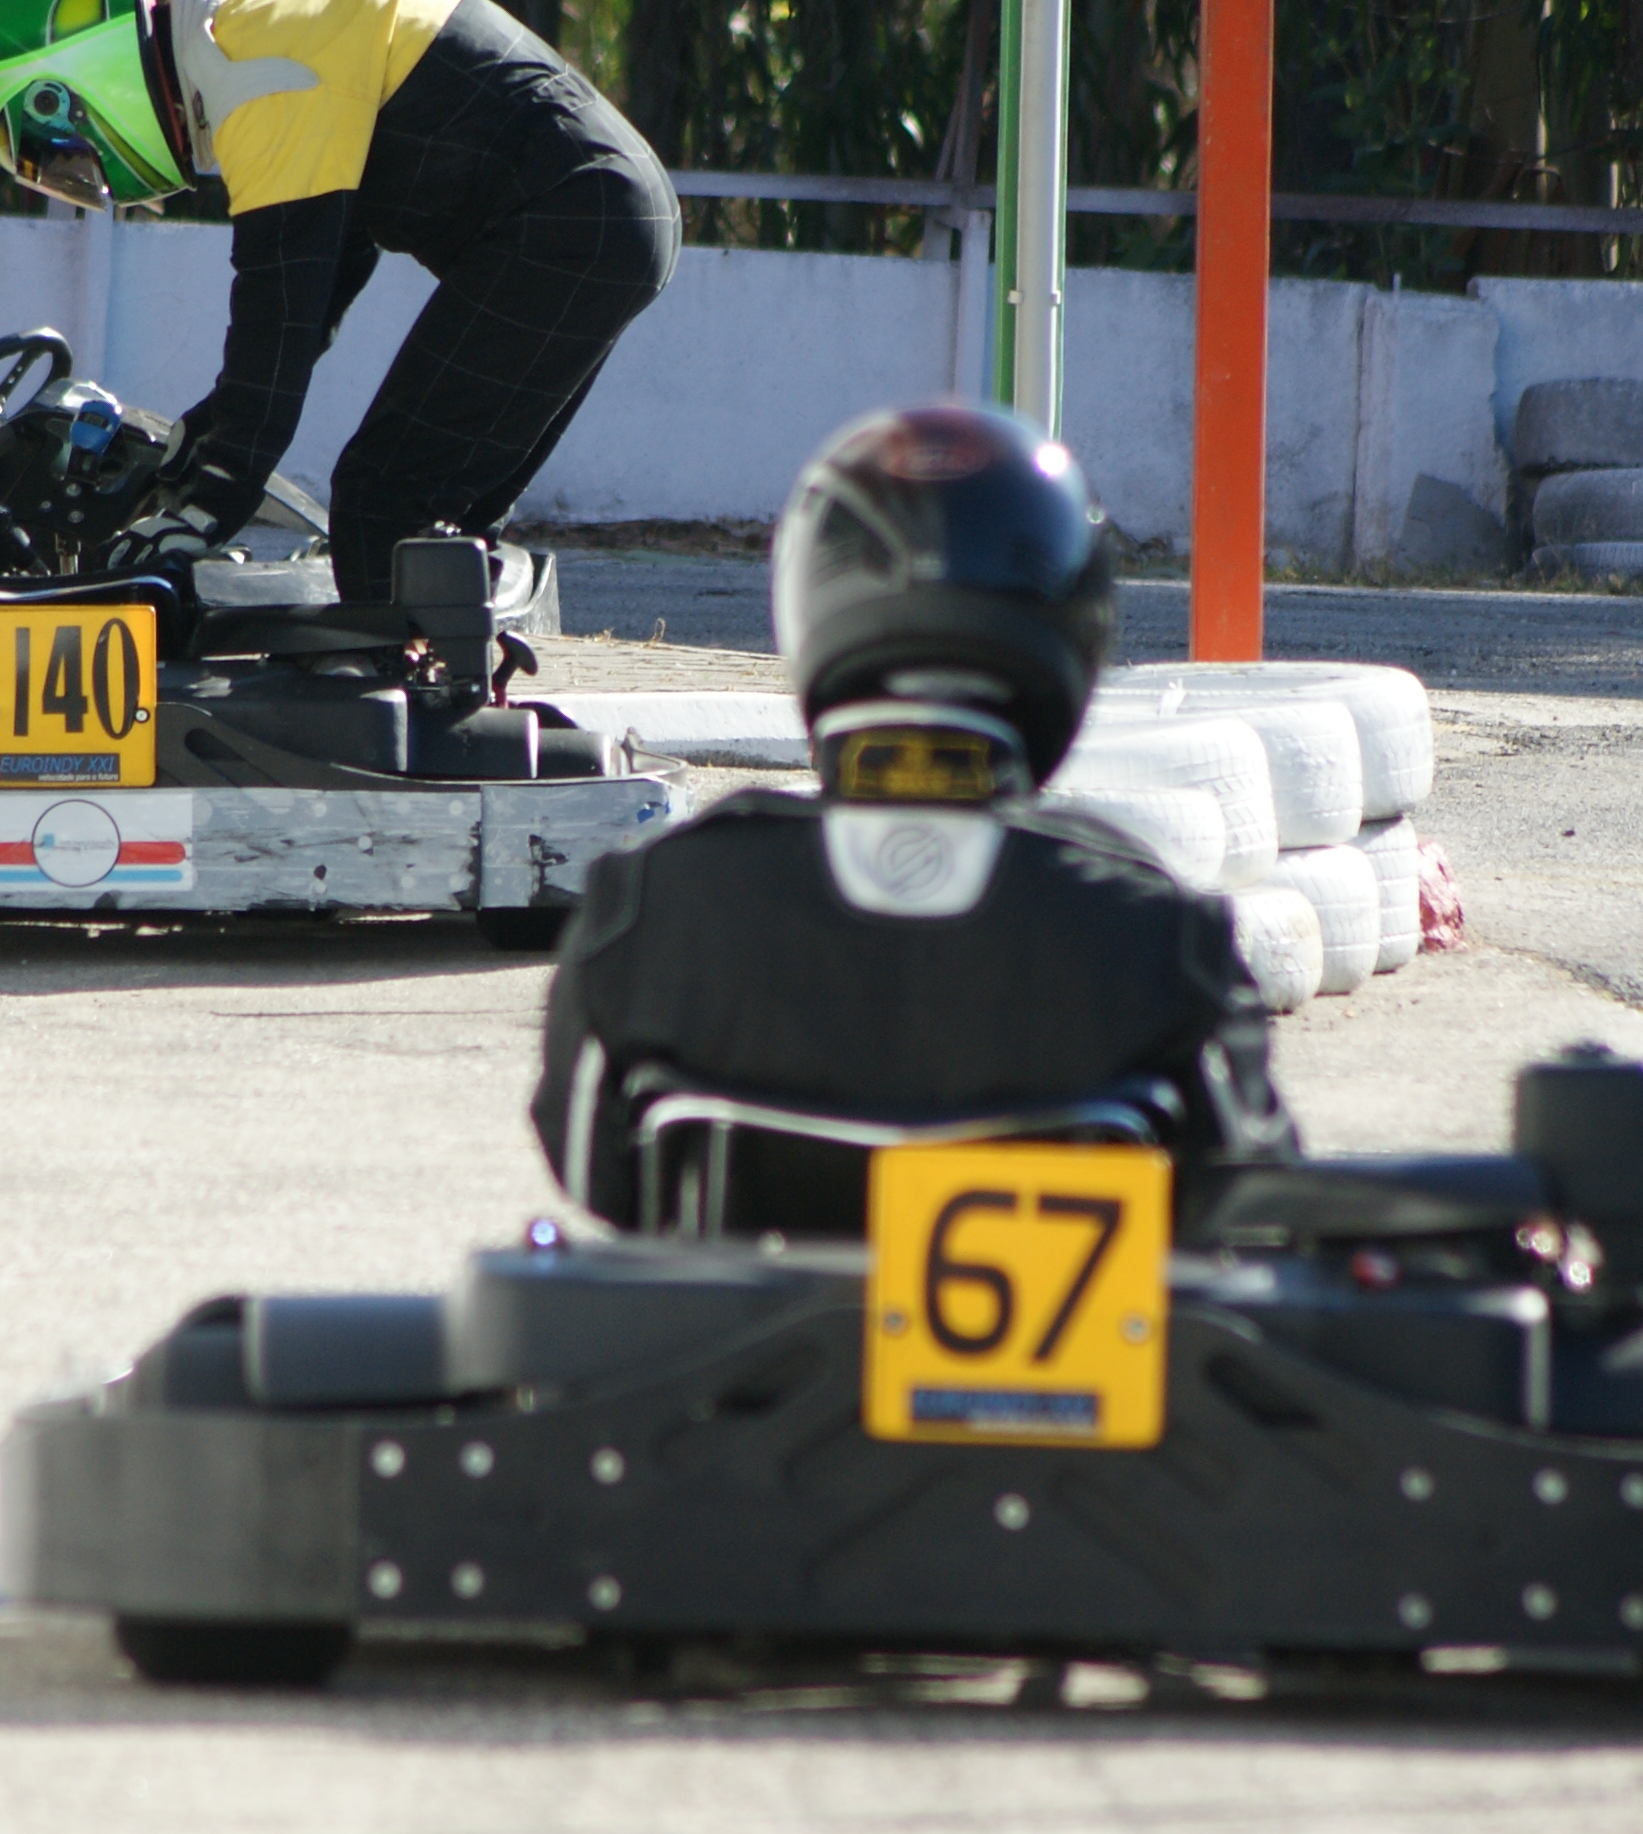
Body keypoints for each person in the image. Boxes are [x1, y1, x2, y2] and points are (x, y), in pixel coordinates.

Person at [530, 403, 1295, 1237]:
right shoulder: (1161, 940)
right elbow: (1249, 1208)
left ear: (811, 605)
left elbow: (593, 1172)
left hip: (738, 1365)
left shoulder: (650, 912)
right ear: (1073, 624)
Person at [0, 0, 677, 604]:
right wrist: (204, 440)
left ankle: (412, 730)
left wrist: (207, 506)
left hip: (573, 218)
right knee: (434, 528)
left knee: (382, 504)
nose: (86, 172)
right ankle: (449, 690)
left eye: (64, 153)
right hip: (607, 211)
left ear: (82, 84)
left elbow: (279, 320)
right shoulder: (254, 24)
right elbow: (316, 295)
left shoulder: (254, 75)